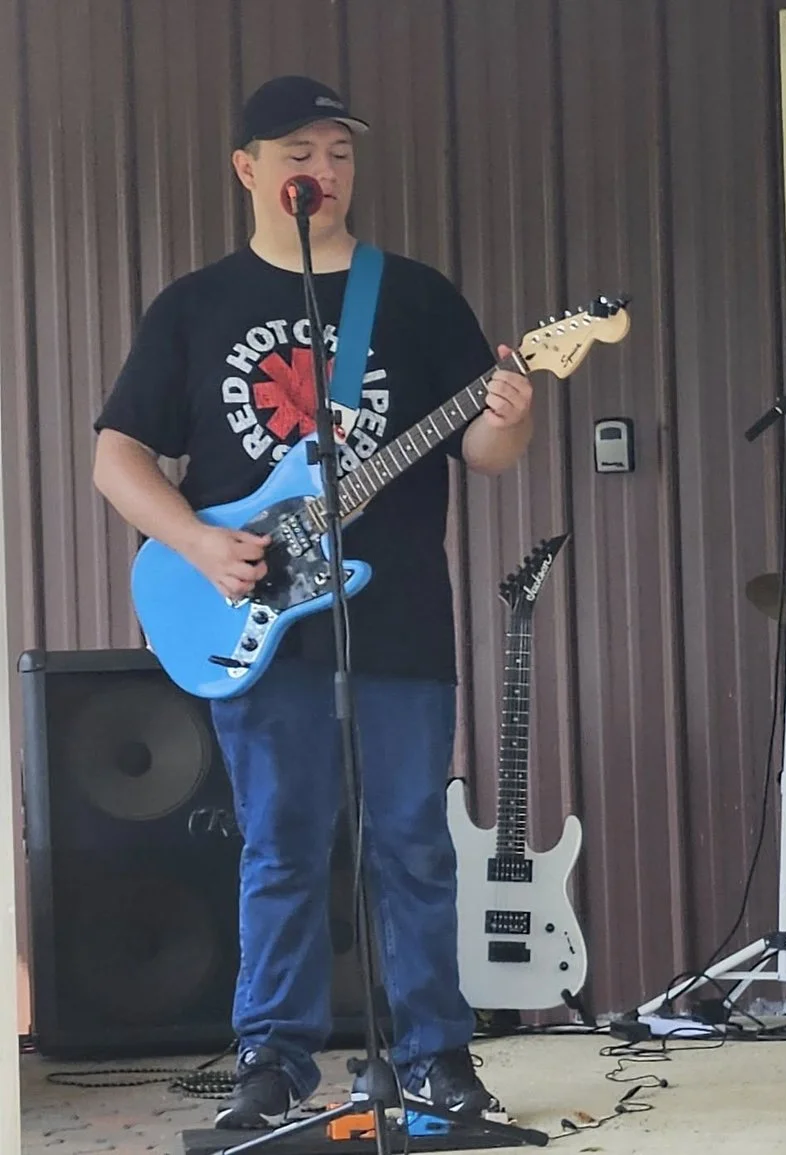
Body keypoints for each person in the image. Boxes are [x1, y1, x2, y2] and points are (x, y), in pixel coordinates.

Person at [90, 75, 533, 1129]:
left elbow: (485, 452)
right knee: (282, 842)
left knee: (413, 843)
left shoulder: (415, 297)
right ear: (250, 170)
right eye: (298, 152)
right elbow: (117, 456)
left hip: (400, 621)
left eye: (337, 154)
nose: (321, 172)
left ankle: (436, 1058)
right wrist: (198, 541)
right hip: (253, 620)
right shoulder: (194, 307)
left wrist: (511, 411)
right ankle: (273, 1062)